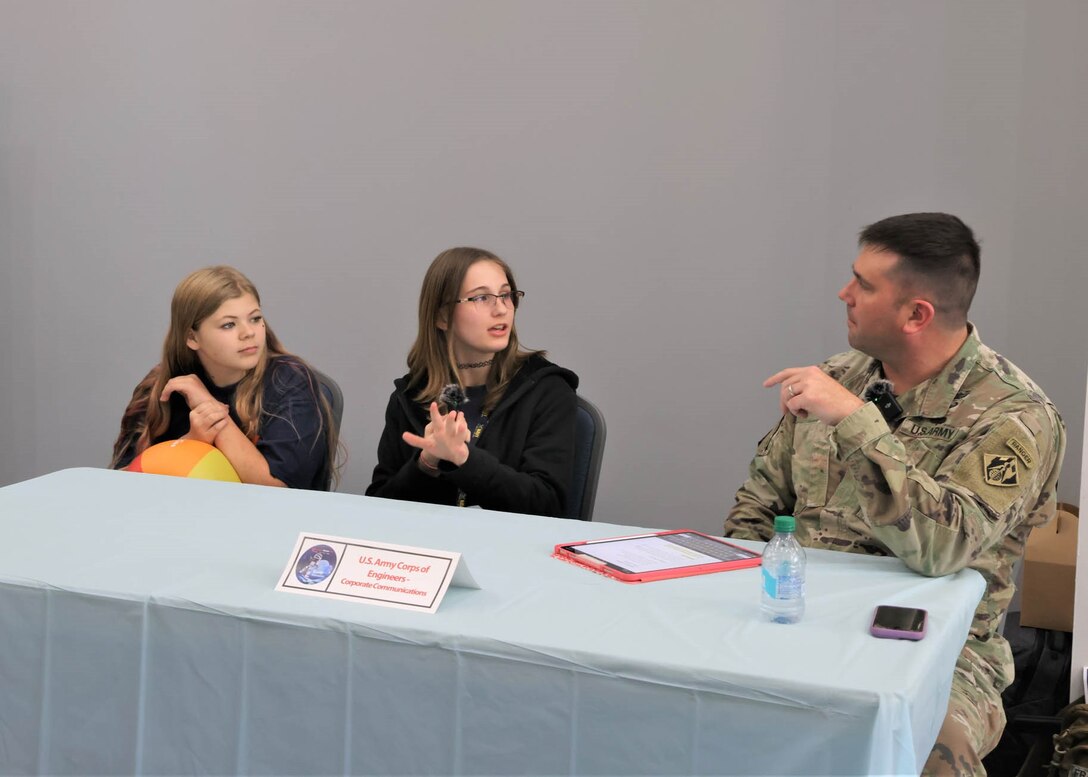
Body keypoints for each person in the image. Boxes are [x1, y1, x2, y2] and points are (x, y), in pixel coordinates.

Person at [724, 213, 1065, 775]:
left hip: (938, 651)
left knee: (922, 751)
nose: (844, 294)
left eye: (864, 284)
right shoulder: (839, 377)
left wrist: (857, 422)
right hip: (796, 619)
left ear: (916, 314)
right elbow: (758, 507)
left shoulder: (1014, 416)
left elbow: (942, 550)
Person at [366, 247, 577, 517]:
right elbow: (378, 509)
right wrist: (426, 464)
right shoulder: (411, 396)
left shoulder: (547, 390)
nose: (501, 309)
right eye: (481, 297)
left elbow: (547, 506)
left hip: (510, 553)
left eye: (506, 295)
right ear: (442, 315)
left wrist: (463, 459)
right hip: (429, 552)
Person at [111, 266, 338, 490]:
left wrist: (210, 409)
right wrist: (192, 443)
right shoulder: (160, 386)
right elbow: (123, 483)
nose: (248, 333)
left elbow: (276, 489)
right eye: (229, 324)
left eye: (255, 318)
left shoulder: (289, 381)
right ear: (192, 337)